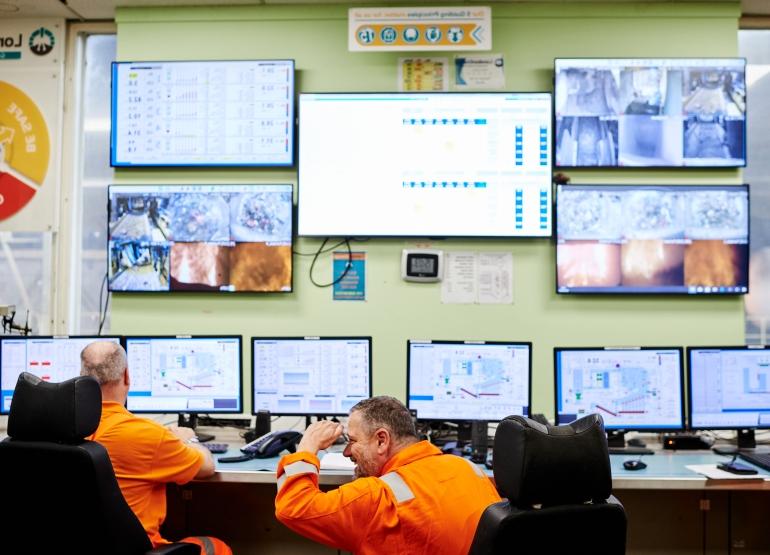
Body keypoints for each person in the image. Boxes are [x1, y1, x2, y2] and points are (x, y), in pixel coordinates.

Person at [275, 396, 501, 554]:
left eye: (352, 441)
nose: (345, 452)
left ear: (382, 440)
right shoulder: (469, 469)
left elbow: (293, 507)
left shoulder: (379, 497)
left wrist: (306, 449)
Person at [80, 341, 232, 555]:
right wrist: (188, 440)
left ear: (82, 377)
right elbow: (206, 468)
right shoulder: (146, 434)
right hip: (138, 549)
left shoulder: (57, 429)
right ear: (126, 376)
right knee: (216, 547)